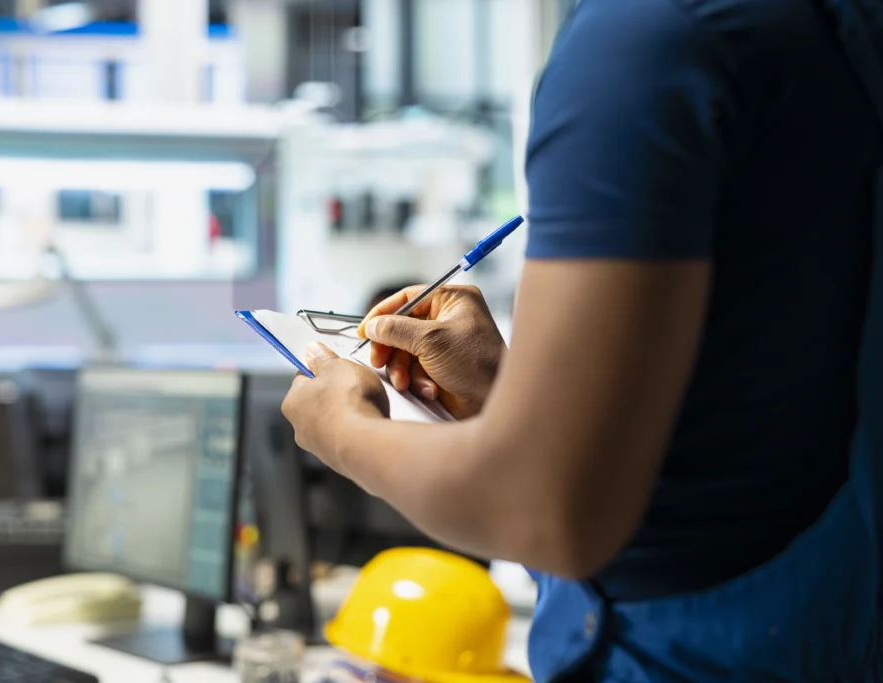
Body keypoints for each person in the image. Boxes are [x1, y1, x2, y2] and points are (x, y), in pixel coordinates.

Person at [282, 1, 883, 681]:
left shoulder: (646, 42)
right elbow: (751, 386)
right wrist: (512, 397)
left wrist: (342, 429)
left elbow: (545, 510)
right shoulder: (813, 32)